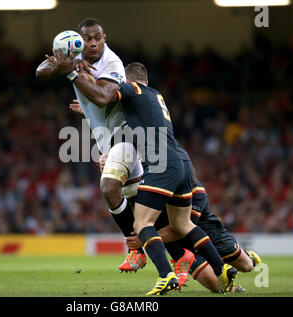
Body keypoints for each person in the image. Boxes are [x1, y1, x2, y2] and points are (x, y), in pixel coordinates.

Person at [64, 61, 238, 295]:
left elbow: (105, 95)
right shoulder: (155, 96)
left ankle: (166, 276)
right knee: (183, 225)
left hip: (161, 165)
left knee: (142, 223)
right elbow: (121, 115)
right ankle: (222, 269)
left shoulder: (131, 89)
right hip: (183, 161)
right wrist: (90, 110)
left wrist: (77, 75)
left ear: (125, 80)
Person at [36, 18, 144, 268]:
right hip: (108, 140)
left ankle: (136, 248)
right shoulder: (74, 55)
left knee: (108, 188)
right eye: (87, 39)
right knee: (136, 200)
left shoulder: (112, 63)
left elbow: (105, 97)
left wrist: (72, 72)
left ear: (105, 37)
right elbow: (40, 72)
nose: (93, 44)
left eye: (98, 38)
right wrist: (63, 60)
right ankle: (192, 257)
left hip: (126, 135)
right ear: (78, 41)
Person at [124, 179, 262, 293]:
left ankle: (246, 255)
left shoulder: (195, 189)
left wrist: (145, 239)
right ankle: (231, 287)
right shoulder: (154, 191)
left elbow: (182, 229)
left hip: (210, 234)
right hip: (183, 245)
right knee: (216, 287)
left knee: (247, 266)